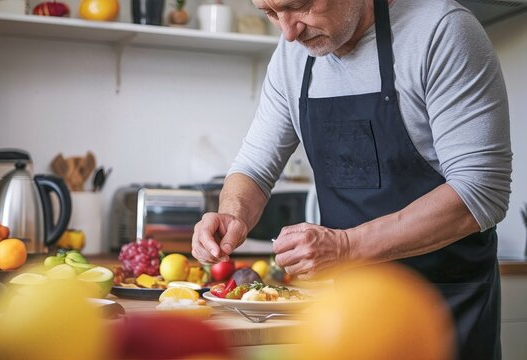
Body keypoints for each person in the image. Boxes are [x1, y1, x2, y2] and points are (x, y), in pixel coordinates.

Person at [191, 0, 512, 359]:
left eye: (298, 6)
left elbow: (480, 191)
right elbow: (253, 166)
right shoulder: (292, 56)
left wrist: (344, 247)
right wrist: (233, 214)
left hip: (444, 305)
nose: (287, 31)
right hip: (346, 312)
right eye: (269, 13)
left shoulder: (441, 30)